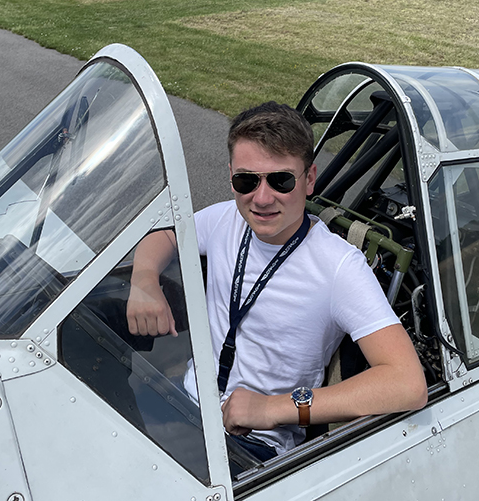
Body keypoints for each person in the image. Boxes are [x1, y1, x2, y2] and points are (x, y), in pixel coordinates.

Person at [126, 101, 427, 460]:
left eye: (281, 180)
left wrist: (274, 409)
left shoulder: (338, 267)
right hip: (188, 401)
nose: (262, 198)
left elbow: (407, 383)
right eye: (246, 180)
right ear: (231, 176)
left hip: (254, 444)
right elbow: (165, 235)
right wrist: (144, 280)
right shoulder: (226, 219)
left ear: (309, 179)